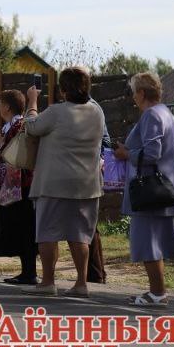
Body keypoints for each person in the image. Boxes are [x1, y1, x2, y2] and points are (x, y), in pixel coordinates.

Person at [23, 66, 105, 296]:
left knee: (48, 233)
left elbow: (32, 127)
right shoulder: (97, 112)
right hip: (87, 183)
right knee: (80, 235)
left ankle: (48, 282)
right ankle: (81, 283)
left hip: (54, 183)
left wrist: (32, 102)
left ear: (63, 90)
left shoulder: (57, 112)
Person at [114, 72, 174, 306]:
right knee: (153, 242)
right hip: (163, 187)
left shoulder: (151, 115)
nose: (133, 96)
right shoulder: (165, 112)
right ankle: (157, 291)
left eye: (134, 91)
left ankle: (157, 293)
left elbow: (152, 154)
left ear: (142, 93)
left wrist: (126, 154)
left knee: (147, 242)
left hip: (150, 190)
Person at [0, 89, 37, 285]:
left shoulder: (18, 125)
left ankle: (29, 271)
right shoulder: (10, 126)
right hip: (12, 185)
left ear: (7, 107)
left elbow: (16, 154)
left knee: (24, 227)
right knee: (19, 227)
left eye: (0, 103)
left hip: (20, 185)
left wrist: (1, 145)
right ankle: (27, 270)